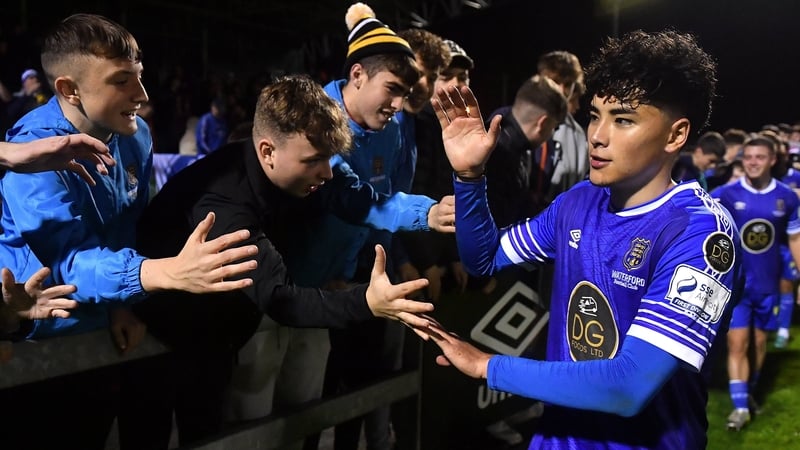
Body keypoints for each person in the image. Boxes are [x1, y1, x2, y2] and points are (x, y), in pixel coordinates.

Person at [420, 29, 742, 449]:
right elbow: (483, 259)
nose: (597, 135)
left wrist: (488, 366)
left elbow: (627, 387)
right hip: (558, 439)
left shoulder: (701, 234)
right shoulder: (578, 201)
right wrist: (469, 178)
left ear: (675, 135)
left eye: (623, 119)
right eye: (594, 115)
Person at [126, 74, 437, 449]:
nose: (326, 172)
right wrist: (368, 302)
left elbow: (353, 197)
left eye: (330, 159)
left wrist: (427, 214)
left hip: (215, 339)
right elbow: (282, 298)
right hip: (162, 343)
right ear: (268, 150)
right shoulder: (225, 206)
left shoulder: (295, 170)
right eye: (315, 161)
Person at [0, 14, 258, 449]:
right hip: (35, 346)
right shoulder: (34, 150)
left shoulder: (134, 135)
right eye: (122, 81)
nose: (141, 94)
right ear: (69, 89)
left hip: (101, 335)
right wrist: (160, 275)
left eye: (138, 76)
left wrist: (125, 304)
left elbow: (129, 227)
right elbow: (68, 261)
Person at [712, 136, 800, 430]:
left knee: (759, 342)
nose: (752, 162)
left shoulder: (787, 198)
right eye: (747, 157)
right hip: (735, 287)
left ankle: (748, 391)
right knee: (738, 343)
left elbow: (796, 239)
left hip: (767, 283)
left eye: (759, 157)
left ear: (772, 160)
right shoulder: (725, 194)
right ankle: (740, 409)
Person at [485, 75, 567, 227]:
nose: (551, 134)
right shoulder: (503, 158)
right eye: (553, 128)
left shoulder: (499, 143)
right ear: (542, 123)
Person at [537, 50, 588, 198]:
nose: (559, 90)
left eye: (567, 84)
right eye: (554, 82)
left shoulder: (577, 134)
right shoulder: (522, 121)